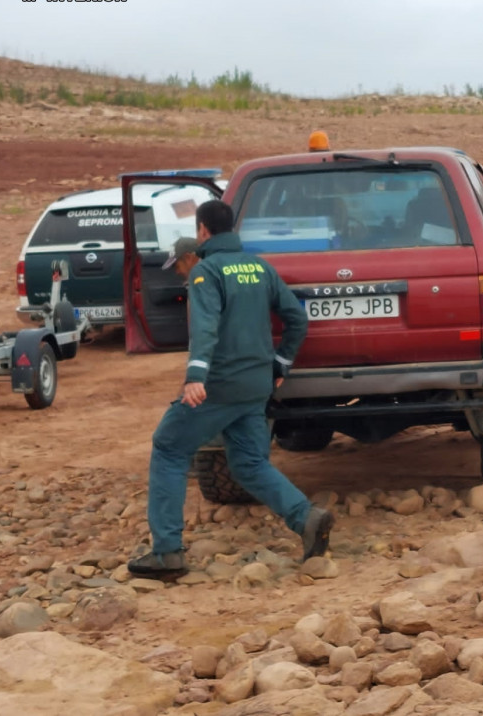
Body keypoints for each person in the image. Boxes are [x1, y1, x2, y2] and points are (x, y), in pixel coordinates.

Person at [128, 200, 332, 578]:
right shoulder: (259, 267)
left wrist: (196, 376)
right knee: (249, 463)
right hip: (256, 384)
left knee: (169, 447)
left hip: (220, 384)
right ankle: (307, 518)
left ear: (203, 230)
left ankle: (167, 553)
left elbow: (205, 329)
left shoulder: (207, 271)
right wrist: (281, 363)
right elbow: (295, 319)